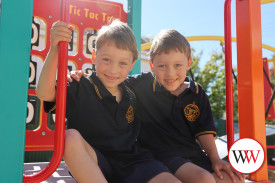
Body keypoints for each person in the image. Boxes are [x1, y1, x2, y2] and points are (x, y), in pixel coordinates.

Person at [70, 29, 244, 183]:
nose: (170, 73)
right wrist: (79, 75)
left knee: (232, 179)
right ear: (152, 66)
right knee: (204, 179)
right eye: (162, 66)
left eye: (178, 65)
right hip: (162, 155)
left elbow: (204, 130)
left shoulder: (196, 92)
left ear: (188, 64)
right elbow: (112, 78)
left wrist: (215, 159)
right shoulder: (142, 85)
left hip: (193, 155)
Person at [36, 20, 181, 183]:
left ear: (132, 65)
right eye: (106, 60)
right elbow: (44, 93)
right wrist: (55, 47)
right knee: (69, 137)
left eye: (122, 63)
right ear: (94, 57)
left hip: (134, 162)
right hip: (94, 163)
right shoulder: (81, 86)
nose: (113, 70)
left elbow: (171, 82)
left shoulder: (135, 87)